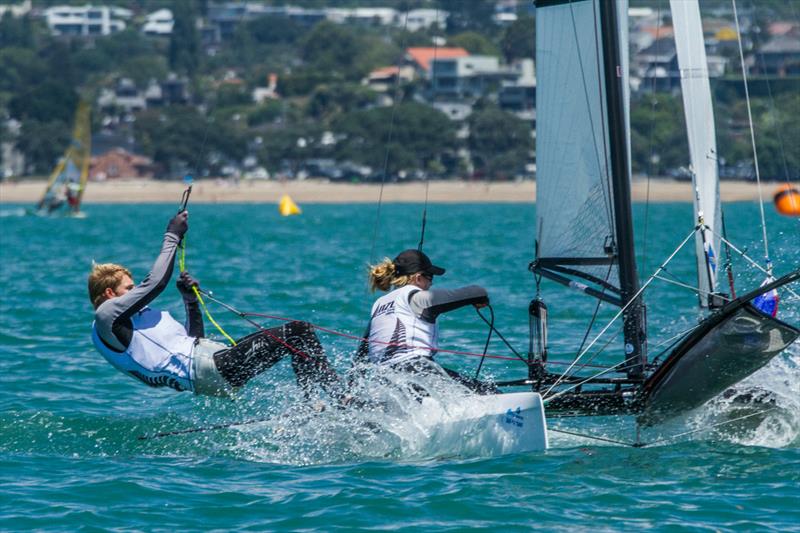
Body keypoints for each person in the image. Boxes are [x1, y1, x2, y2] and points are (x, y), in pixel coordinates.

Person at [88, 211, 345, 400]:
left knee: (298, 337)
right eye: (128, 289)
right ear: (110, 293)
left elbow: (193, 339)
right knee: (298, 331)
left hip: (209, 368)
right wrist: (172, 236)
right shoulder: (106, 316)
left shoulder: (130, 325)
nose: (135, 293)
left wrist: (190, 301)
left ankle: (314, 404)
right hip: (209, 369)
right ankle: (339, 399)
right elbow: (155, 283)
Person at [356, 249, 498, 395]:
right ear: (418, 278)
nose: (431, 284)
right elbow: (477, 291)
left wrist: (350, 392)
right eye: (430, 277)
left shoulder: (379, 304)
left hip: (382, 379)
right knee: (490, 392)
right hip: (414, 370)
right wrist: (480, 299)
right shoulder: (416, 298)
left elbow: (362, 353)